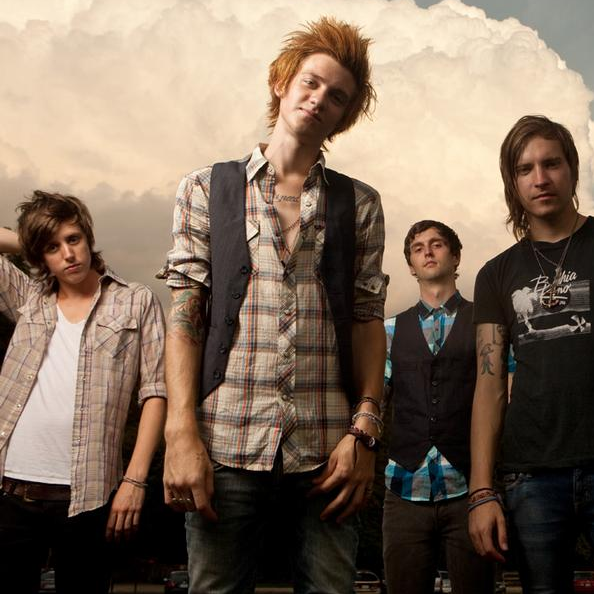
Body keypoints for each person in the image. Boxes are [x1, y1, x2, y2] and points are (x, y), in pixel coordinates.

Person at [158, 16, 387, 594]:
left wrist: (364, 432)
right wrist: (180, 431)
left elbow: (367, 321)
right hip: (226, 439)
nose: (319, 99)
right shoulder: (206, 188)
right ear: (282, 82)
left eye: (337, 97)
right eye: (311, 82)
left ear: (344, 116)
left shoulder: (359, 204)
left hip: (329, 448)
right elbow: (185, 319)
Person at [0, 191, 167, 594]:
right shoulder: (28, 297)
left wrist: (135, 482)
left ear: (88, 237)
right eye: (53, 248)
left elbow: (156, 393)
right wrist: (34, 241)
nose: (68, 254)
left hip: (88, 496)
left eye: (73, 239)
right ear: (40, 257)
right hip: (10, 490)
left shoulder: (135, 301)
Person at [469, 115, 594, 593]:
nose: (540, 178)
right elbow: (488, 385)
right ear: (513, 181)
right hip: (532, 475)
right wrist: (482, 491)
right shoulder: (495, 274)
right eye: (525, 169)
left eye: (551, 163)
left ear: (572, 168)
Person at [382, 221, 493, 594]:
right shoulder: (389, 330)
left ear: (456, 256)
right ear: (411, 266)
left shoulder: (485, 325)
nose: (427, 252)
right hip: (403, 489)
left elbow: (504, 394)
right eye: (417, 248)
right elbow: (374, 400)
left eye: (437, 244)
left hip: (470, 488)